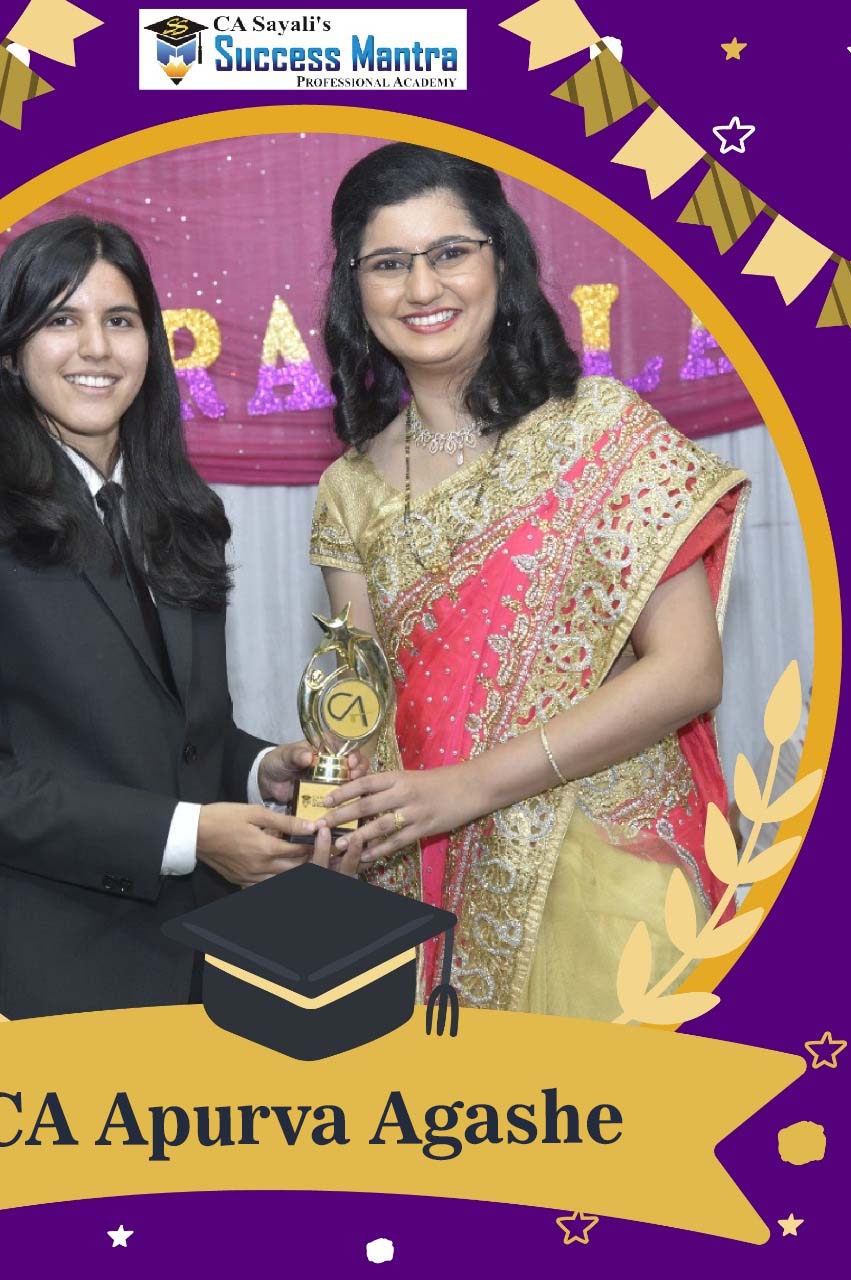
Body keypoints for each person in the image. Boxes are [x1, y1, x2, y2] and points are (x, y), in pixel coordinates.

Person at [308, 144, 747, 1019]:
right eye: (388, 264)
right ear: (354, 290)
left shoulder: (604, 432)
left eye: (450, 253)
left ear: (500, 261)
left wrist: (475, 785)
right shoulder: (347, 490)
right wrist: (334, 787)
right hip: (431, 883)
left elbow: (689, 671)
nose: (422, 288)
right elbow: (363, 703)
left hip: (608, 877)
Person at [0, 216, 332, 1019]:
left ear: (150, 345)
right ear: (11, 350)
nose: (96, 348)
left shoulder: (183, 512)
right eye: (61, 319)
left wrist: (263, 772)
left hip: (211, 970)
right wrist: (190, 834)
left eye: (120, 320)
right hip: (49, 983)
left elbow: (182, 737)